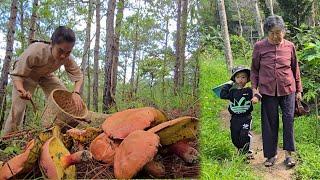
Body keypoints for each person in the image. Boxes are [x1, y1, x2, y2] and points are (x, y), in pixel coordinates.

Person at [2, 26, 84, 135]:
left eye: (68, 52)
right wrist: (21, 89)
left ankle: (59, 130)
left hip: (45, 75)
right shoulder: (35, 51)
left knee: (64, 96)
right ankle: (7, 142)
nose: (64, 55)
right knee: (18, 110)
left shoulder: (67, 58)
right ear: (52, 44)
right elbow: (17, 75)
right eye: (61, 51)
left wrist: (76, 92)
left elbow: (78, 76)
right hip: (26, 75)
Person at [251, 15, 303, 167]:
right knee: (269, 123)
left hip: (288, 89)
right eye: (272, 32)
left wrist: (299, 89)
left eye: (279, 32)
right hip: (267, 91)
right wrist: (255, 90)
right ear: (267, 32)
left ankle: (288, 155)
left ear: (284, 32)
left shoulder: (290, 46)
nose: (276, 36)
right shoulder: (259, 46)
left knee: (288, 121)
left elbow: (295, 68)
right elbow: (254, 70)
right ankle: (270, 156)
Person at [220, 66, 258, 159]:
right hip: (235, 118)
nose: (240, 79)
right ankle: (240, 149)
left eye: (243, 77)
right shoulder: (232, 91)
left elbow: (257, 94)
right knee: (235, 136)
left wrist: (255, 97)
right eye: (238, 77)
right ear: (234, 79)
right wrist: (228, 84)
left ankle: (247, 152)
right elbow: (222, 95)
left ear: (247, 79)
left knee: (244, 134)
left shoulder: (249, 90)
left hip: (246, 117)